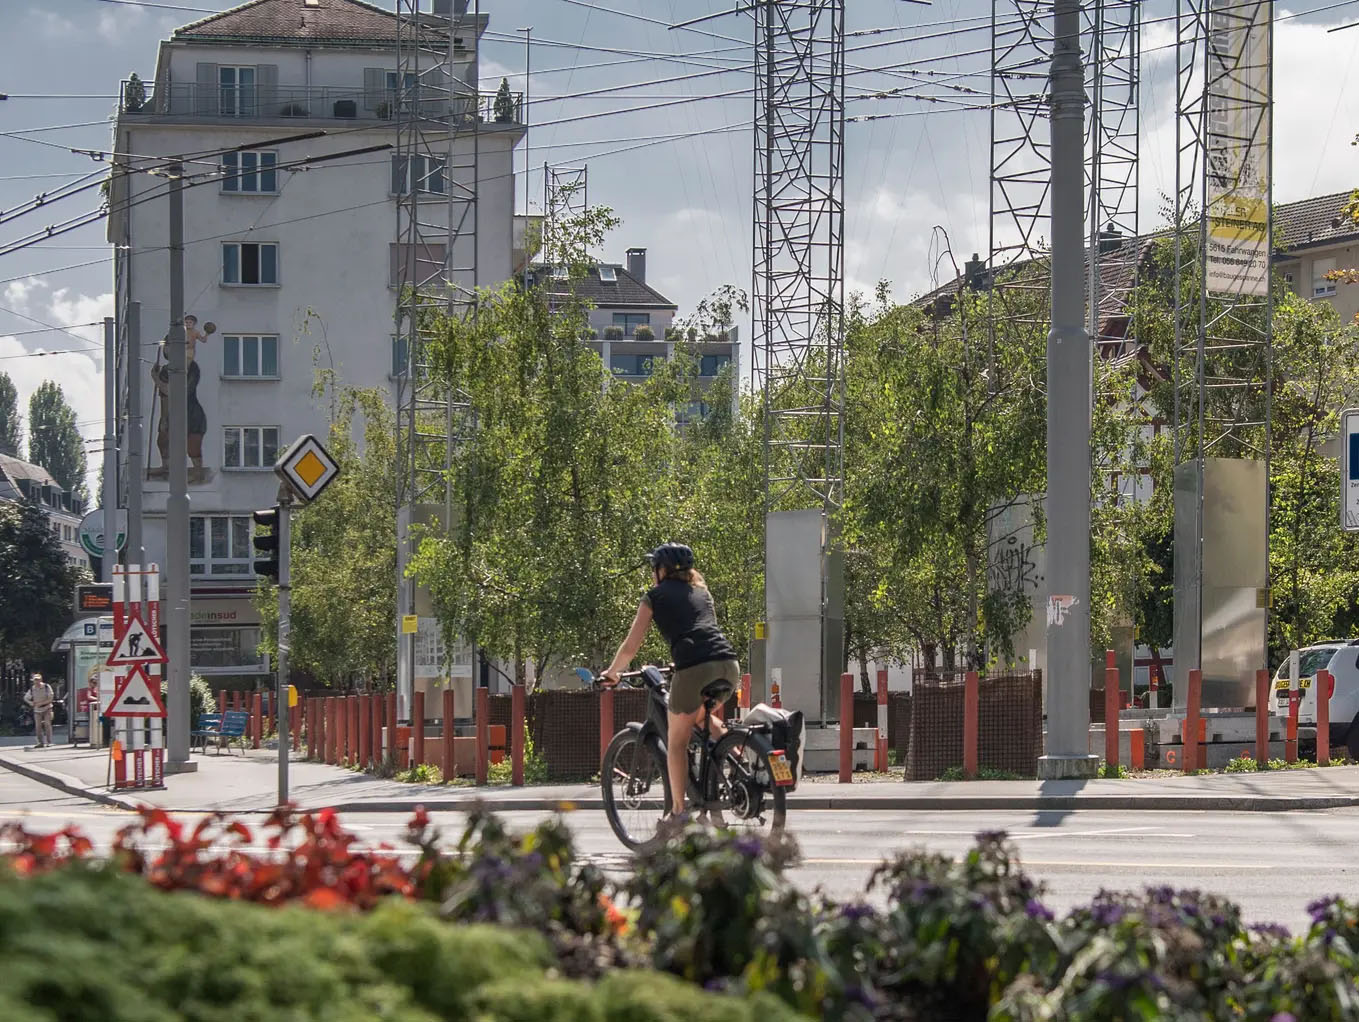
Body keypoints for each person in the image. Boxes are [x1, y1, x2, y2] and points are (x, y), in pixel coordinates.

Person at [603, 543, 740, 818]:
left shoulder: (654, 596)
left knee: (676, 743)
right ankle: (742, 763)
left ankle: (678, 813)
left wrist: (612, 672)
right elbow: (701, 630)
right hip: (729, 665)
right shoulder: (702, 591)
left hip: (694, 668)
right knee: (703, 718)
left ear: (661, 570)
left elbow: (631, 646)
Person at [24, 673, 55, 748]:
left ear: (41, 680)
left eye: (38, 679)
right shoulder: (32, 689)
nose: (36, 681)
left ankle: (49, 742)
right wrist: (30, 703)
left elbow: (50, 698)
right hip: (37, 710)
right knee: (38, 726)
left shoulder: (47, 687)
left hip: (47, 708)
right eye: (35, 680)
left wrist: (41, 703)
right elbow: (26, 698)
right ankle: (40, 742)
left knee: (47, 724)